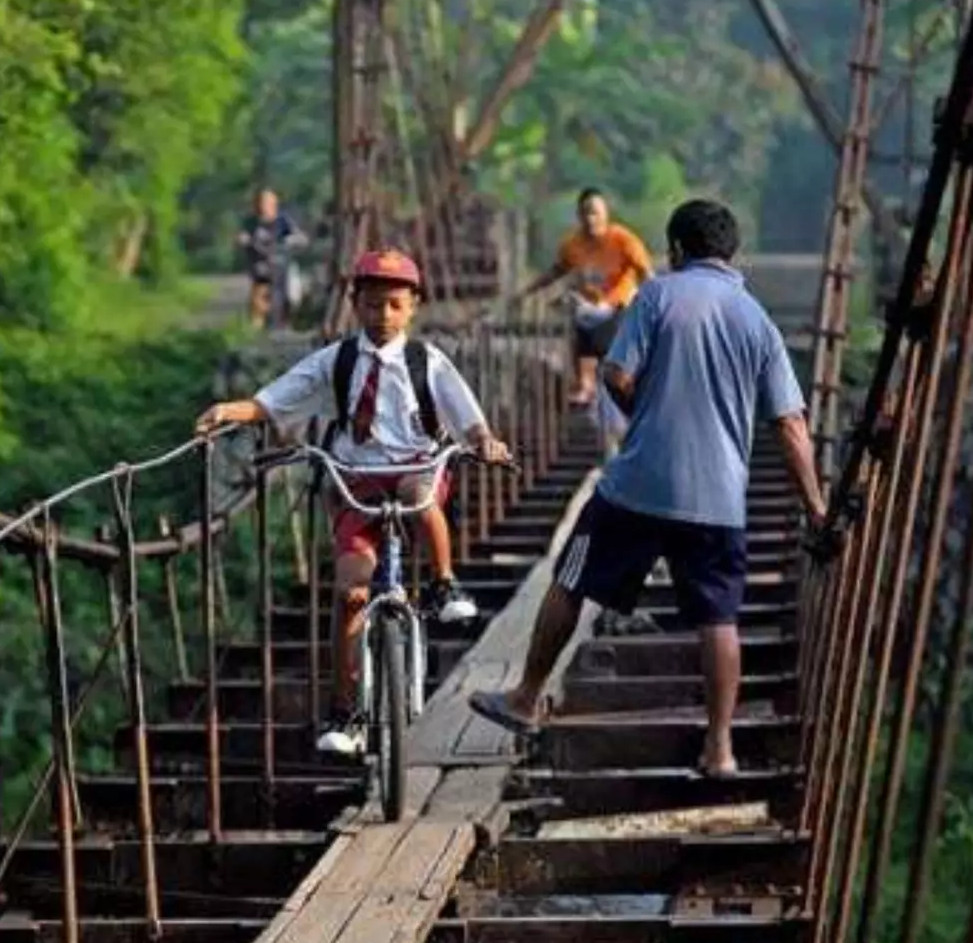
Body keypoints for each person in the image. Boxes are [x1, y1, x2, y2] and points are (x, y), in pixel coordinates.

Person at [471, 200, 828, 777]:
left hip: (638, 485)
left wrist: (645, 417)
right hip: (719, 498)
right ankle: (720, 748)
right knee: (719, 617)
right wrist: (815, 505)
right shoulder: (757, 319)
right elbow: (790, 423)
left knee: (572, 574)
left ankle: (525, 698)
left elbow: (614, 374)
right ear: (730, 253)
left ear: (678, 250)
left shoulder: (659, 295)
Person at [196, 249, 511, 758]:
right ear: (353, 305)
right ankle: (347, 711)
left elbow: (467, 415)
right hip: (355, 480)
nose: (381, 316)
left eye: (393, 305)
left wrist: (485, 441)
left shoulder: (426, 361)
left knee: (419, 493)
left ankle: (442, 583)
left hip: (414, 468)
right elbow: (279, 396)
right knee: (350, 593)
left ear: (413, 307)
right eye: (370, 305)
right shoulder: (337, 360)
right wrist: (232, 410)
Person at [516, 187, 654, 407]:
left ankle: (625, 381)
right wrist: (526, 293)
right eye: (586, 213)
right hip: (588, 309)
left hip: (618, 308)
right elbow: (555, 272)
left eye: (595, 213)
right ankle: (584, 383)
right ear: (579, 216)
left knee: (612, 339)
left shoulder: (623, 240)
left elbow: (646, 274)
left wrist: (655, 303)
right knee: (573, 311)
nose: (591, 219)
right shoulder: (573, 245)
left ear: (605, 214)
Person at [237, 188, 306, 329]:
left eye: (268, 203)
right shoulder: (251, 221)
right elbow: (241, 237)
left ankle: (284, 324)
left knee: (289, 297)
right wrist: (243, 240)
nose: (264, 207)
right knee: (259, 297)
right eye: (261, 203)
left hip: (282, 265)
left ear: (275, 204)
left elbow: (301, 238)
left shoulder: (283, 220)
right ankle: (256, 328)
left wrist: (291, 240)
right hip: (260, 266)